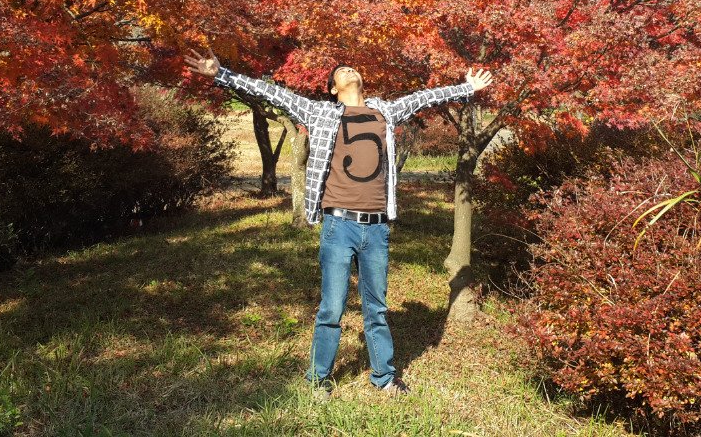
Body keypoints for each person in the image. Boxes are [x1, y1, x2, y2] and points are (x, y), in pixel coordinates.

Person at [184, 47, 493, 400]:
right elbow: (271, 92)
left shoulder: (385, 111)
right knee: (332, 307)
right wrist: (221, 74)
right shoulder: (320, 112)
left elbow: (424, 98)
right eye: (341, 70)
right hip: (338, 225)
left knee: (376, 307)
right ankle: (319, 380)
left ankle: (384, 377)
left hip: (377, 227)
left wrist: (466, 88)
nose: (348, 70)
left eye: (351, 66)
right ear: (333, 88)